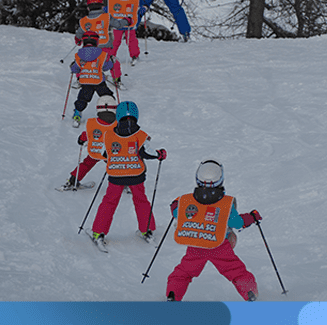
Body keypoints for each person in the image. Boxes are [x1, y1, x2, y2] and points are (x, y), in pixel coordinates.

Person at [166, 160, 261, 302]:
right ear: (221, 179)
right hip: (219, 245)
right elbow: (237, 222)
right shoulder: (225, 204)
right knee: (236, 271)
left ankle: (173, 294)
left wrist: (175, 205)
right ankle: (249, 293)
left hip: (196, 244)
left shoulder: (188, 201)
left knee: (183, 272)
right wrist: (252, 217)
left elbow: (176, 213)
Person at [89, 101, 167, 249]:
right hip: (136, 175)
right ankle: (147, 230)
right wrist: (160, 154)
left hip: (116, 176)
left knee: (109, 202)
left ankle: (98, 232)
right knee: (141, 200)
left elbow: (106, 154)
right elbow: (147, 152)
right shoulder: (141, 135)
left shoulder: (109, 135)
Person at [60, 95, 118, 190]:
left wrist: (81, 139)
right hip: (110, 153)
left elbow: (86, 134)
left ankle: (73, 180)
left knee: (86, 164)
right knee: (117, 165)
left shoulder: (92, 122)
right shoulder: (117, 123)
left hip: (95, 150)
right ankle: (124, 183)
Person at [75, 0, 129, 86]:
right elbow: (118, 24)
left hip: (88, 50)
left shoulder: (84, 20)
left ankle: (79, 79)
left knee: (82, 61)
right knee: (113, 61)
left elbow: (79, 34)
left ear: (88, 8)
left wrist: (78, 39)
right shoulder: (107, 17)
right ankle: (117, 80)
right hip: (105, 49)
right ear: (102, 7)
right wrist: (127, 21)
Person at [70, 31, 115, 127]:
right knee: (107, 96)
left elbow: (75, 69)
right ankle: (111, 112)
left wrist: (72, 66)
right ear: (97, 42)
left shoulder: (79, 55)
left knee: (82, 98)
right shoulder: (102, 54)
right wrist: (111, 62)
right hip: (99, 81)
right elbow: (105, 67)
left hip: (85, 81)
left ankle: (77, 113)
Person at [107, 0, 147, 68]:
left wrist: (104, 9)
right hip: (130, 24)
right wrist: (144, 9)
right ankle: (134, 56)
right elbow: (140, 9)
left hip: (117, 23)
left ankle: (111, 55)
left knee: (115, 41)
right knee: (131, 41)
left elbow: (107, 9)